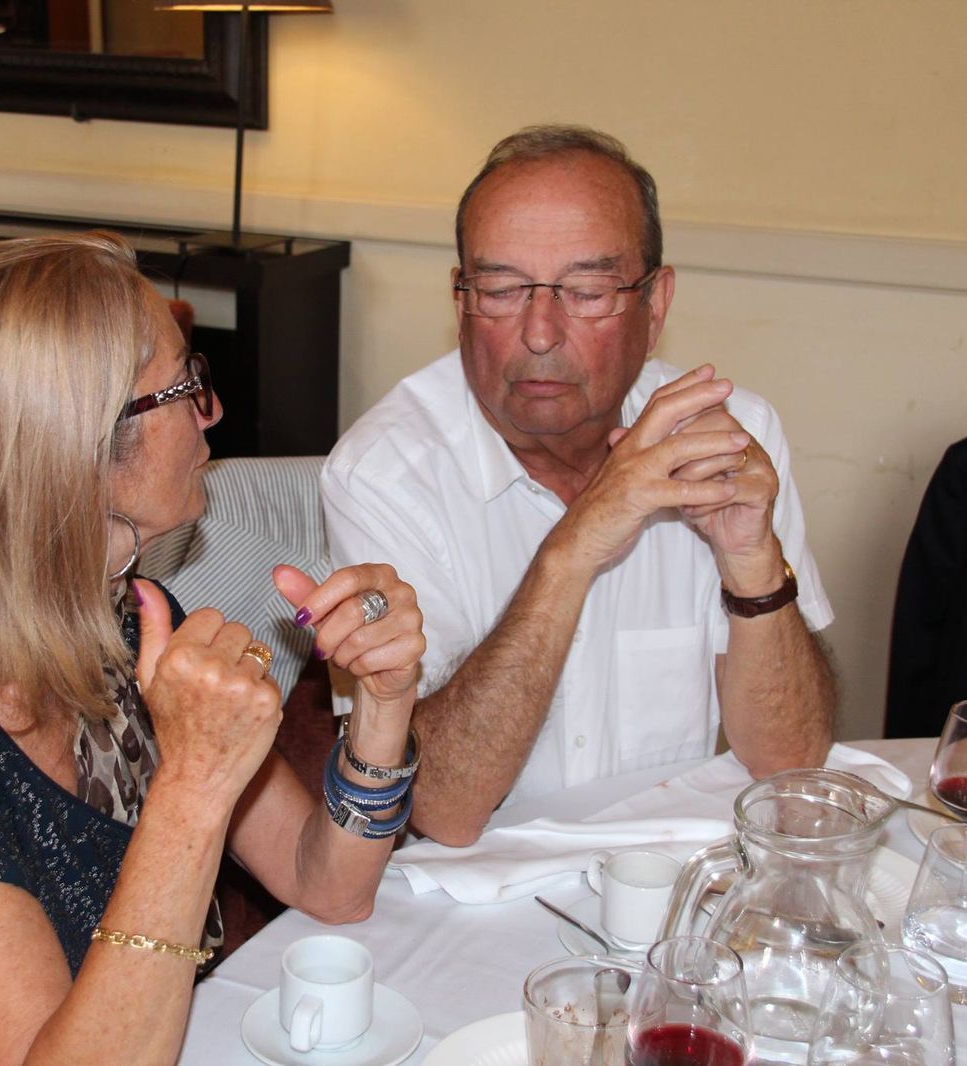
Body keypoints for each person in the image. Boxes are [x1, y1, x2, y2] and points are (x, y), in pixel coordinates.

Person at [0, 231, 426, 1064]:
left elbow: (328, 886)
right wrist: (193, 786)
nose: (212, 411)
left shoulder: (131, 626)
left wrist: (383, 702)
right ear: (79, 444)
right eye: (187, 385)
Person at [321, 125, 835, 847]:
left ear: (655, 305)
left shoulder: (730, 439)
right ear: (460, 300)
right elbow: (441, 809)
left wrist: (752, 566)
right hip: (475, 886)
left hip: (669, 873)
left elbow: (789, 759)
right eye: (501, 290)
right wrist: (573, 549)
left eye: (587, 292)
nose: (539, 332)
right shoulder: (381, 475)